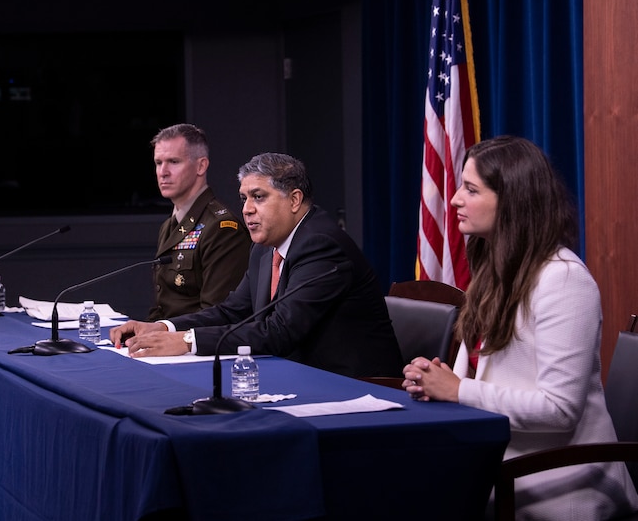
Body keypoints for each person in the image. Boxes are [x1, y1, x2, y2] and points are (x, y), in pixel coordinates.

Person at [402, 136, 638, 519]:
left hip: (556, 480)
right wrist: (441, 380)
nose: (456, 199)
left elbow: (559, 409)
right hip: (497, 464)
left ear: (512, 202)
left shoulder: (564, 281)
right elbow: (487, 377)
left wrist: (459, 390)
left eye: (471, 189)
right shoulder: (495, 271)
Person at [112, 152, 402, 379]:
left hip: (357, 387)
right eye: (244, 198)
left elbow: (279, 331)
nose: (247, 209)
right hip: (300, 374)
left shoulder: (322, 245)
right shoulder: (264, 249)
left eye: (259, 197)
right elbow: (233, 311)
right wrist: (163, 327)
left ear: (294, 200)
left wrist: (187, 341)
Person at [147, 123, 251, 320]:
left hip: (195, 345)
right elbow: (162, 304)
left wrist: (160, 332)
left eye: (174, 162)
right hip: (166, 341)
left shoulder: (222, 228)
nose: (163, 172)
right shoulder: (169, 225)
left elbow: (216, 315)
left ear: (201, 166)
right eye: (158, 163)